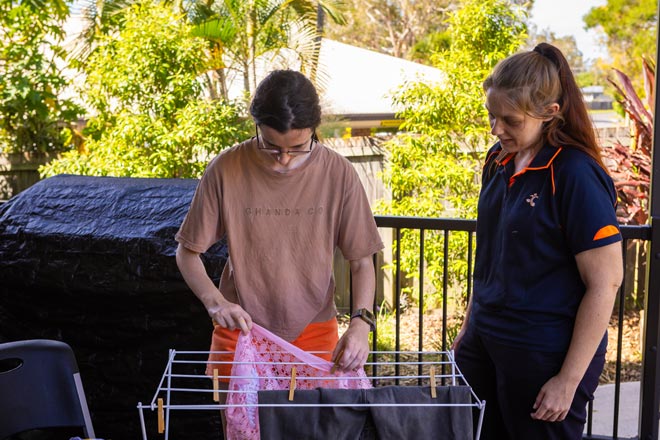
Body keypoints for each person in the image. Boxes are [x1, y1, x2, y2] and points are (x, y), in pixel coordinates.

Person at [453, 43, 623, 440]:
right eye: (492, 116)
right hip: (487, 341)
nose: (497, 129)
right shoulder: (497, 161)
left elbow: (606, 282)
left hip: (544, 354)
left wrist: (567, 379)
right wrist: (470, 327)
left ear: (550, 113)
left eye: (509, 120)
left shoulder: (575, 173)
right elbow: (490, 255)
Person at [175, 69, 383, 394]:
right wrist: (216, 303)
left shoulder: (338, 173)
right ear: (255, 124)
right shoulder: (225, 169)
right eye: (271, 146)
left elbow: (361, 261)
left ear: (315, 129)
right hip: (240, 329)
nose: (284, 159)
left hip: (315, 328)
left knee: (311, 430)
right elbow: (187, 254)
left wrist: (361, 324)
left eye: (298, 147)